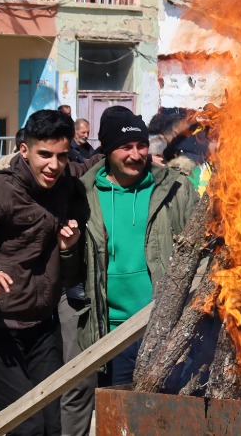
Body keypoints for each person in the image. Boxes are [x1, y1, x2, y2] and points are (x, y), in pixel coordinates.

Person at [0, 110, 86, 436]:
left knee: (53, 425)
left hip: (42, 326)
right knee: (26, 427)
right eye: (45, 155)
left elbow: (98, 163)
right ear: (24, 150)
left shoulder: (65, 182)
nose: (53, 165)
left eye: (62, 156)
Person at [76, 109, 196, 393]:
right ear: (107, 150)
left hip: (163, 328)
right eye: (125, 147)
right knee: (118, 412)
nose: (136, 155)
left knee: (167, 412)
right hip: (111, 334)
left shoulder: (176, 188)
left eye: (141, 145)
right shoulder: (84, 194)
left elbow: (199, 251)